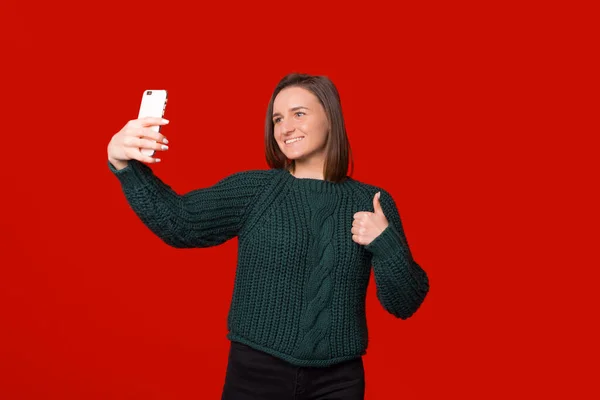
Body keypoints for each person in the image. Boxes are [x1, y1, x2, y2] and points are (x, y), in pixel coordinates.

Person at [107, 73, 430, 399]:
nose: (285, 127)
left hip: (339, 382)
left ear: (330, 118)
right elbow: (179, 224)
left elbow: (405, 303)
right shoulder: (256, 191)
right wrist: (125, 166)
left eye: (299, 114)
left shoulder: (371, 201)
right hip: (256, 374)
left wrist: (384, 242)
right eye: (277, 118)